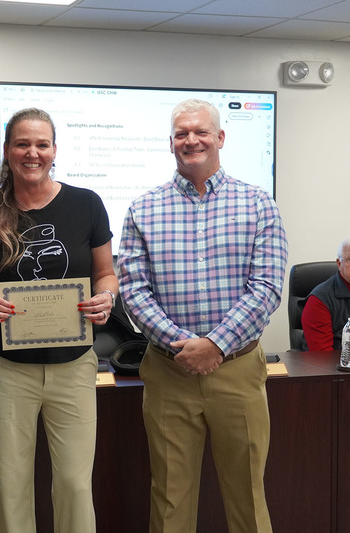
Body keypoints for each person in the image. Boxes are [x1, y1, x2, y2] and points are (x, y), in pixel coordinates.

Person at [117, 99, 288, 533]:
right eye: (181, 133)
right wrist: (184, 346)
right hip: (168, 371)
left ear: (220, 138)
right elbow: (134, 292)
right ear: (171, 143)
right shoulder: (143, 209)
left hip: (237, 370)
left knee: (248, 496)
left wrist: (214, 345)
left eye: (200, 131)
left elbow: (266, 288)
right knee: (170, 497)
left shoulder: (258, 205)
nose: (191, 140)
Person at [0, 107, 118, 533]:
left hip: (74, 365)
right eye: (22, 144)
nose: (33, 153)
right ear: (8, 150)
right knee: (8, 484)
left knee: (73, 483)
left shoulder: (87, 204)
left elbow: (106, 272)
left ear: (54, 151)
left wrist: (106, 296)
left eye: (42, 144)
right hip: (8, 369)